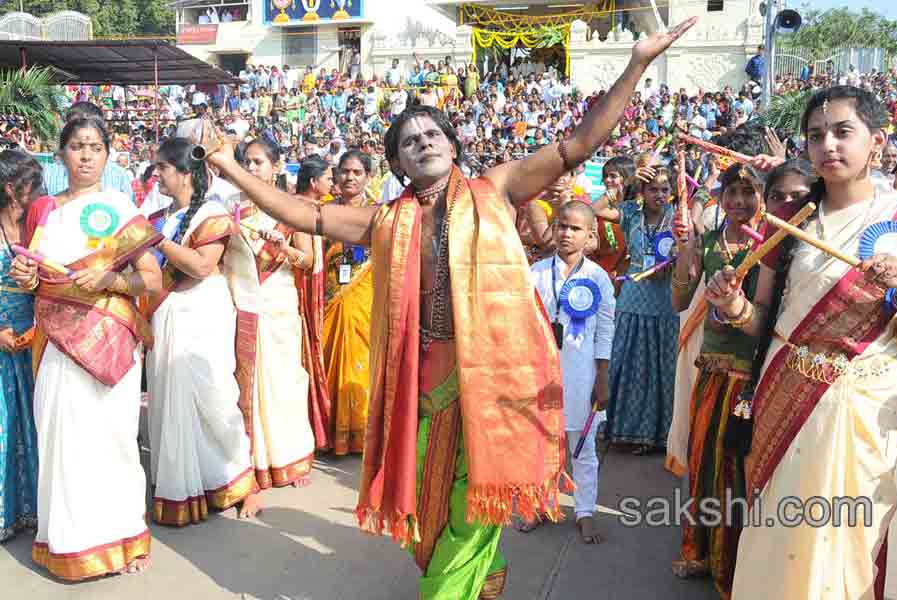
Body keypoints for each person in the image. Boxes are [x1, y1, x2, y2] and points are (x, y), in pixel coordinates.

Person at [197, 19, 696, 598]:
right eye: (410, 141)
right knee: (421, 510)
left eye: (433, 134)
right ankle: (483, 572)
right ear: (400, 164)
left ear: (453, 144)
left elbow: (580, 143)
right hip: (418, 382)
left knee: (469, 501)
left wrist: (637, 63)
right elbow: (304, 215)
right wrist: (230, 167)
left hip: (491, 380)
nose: (424, 143)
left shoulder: (497, 187)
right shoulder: (386, 220)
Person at [709, 86, 897, 599]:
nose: (828, 145)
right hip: (785, 391)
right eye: (816, 135)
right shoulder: (792, 220)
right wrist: (732, 306)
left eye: (843, 132)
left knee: (847, 541)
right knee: (778, 530)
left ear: (878, 141)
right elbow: (763, 322)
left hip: (861, 401)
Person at [13, 117, 163, 579]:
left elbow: (150, 279)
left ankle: (123, 539)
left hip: (109, 343)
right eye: (77, 146)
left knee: (113, 441)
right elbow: (35, 275)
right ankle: (68, 543)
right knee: (64, 440)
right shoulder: (43, 211)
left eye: (95, 147)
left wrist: (110, 278)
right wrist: (27, 279)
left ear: (107, 154)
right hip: (58, 345)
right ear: (60, 153)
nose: (85, 155)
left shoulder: (119, 208)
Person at [143, 138, 259, 526]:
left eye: (162, 167)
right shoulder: (161, 215)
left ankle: (231, 481)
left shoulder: (211, 215)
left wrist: (155, 238)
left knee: (212, 399)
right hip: (168, 314)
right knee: (169, 397)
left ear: (185, 173)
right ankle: (182, 487)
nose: (155, 174)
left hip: (202, 313)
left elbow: (200, 266)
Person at [669, 164, 765, 594]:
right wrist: (685, 253)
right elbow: (679, 298)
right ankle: (699, 552)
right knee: (703, 462)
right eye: (732, 193)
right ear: (720, 197)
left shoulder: (773, 245)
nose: (740, 202)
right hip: (711, 367)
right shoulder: (707, 241)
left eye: (749, 193)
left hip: (752, 373)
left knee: (737, 472)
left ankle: (737, 564)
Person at [225, 138, 316, 490]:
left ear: (276, 167)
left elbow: (308, 260)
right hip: (239, 303)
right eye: (246, 162)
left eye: (259, 162)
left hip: (277, 305)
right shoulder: (227, 207)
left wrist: (284, 248)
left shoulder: (292, 207)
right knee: (241, 382)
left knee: (282, 382)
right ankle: (246, 462)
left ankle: (288, 458)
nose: (251, 168)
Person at [528, 201, 615, 545]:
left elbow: (605, 329)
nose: (566, 233)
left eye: (575, 228)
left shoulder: (598, 278)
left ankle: (585, 511)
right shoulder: (534, 273)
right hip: (540, 373)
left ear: (590, 235)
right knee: (541, 443)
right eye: (561, 226)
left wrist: (603, 375)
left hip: (582, 374)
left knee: (583, 445)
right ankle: (540, 504)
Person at [593, 164, 679, 455]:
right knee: (627, 361)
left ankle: (655, 435)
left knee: (659, 367)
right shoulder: (630, 214)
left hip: (666, 300)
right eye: (653, 189)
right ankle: (624, 430)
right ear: (642, 192)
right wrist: (626, 182)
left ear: (672, 192)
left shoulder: (678, 218)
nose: (659, 194)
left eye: (665, 189)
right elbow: (595, 208)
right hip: (632, 298)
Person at [321, 151, 376, 455]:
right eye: (345, 172)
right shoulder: (325, 212)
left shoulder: (376, 215)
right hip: (330, 300)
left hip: (365, 302)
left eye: (357, 172)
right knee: (329, 359)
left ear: (368, 176)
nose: (350, 178)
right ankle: (331, 431)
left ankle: (362, 432)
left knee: (361, 363)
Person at [0, 150, 42, 542]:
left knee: (33, 424)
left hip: (32, 342)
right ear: (13, 189)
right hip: (1, 342)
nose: (40, 192)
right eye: (34, 185)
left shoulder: (37, 230)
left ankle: (33, 510)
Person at [293, 155, 334, 452]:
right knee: (305, 351)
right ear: (313, 182)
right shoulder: (298, 209)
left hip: (315, 285)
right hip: (301, 289)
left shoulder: (317, 207)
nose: (331, 183)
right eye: (328, 178)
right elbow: (305, 260)